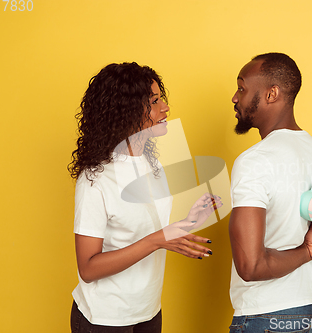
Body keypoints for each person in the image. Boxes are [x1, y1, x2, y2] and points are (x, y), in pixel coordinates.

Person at [67, 62, 220, 332]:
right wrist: (156, 241)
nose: (165, 108)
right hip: (105, 319)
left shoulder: (154, 166)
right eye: (154, 101)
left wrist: (189, 220)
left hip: (149, 313)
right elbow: (88, 269)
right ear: (125, 110)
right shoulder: (96, 178)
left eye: (161, 98)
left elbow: (152, 232)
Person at [228, 53, 312, 333]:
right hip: (310, 311)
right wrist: (309, 253)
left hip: (264, 315)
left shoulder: (254, 160)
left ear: (271, 94)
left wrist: (304, 251)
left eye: (242, 88)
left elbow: (251, 267)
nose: (234, 97)